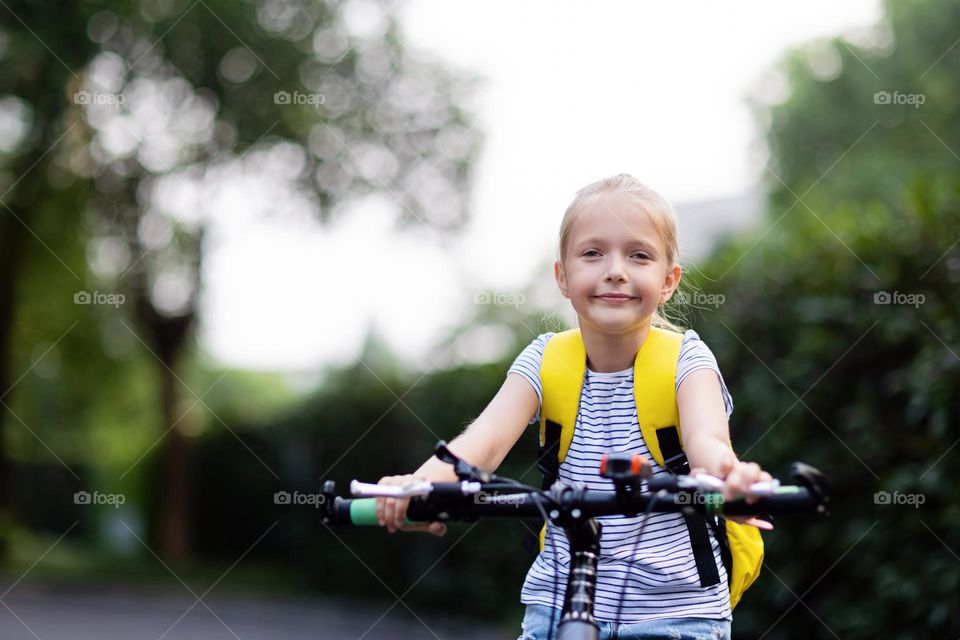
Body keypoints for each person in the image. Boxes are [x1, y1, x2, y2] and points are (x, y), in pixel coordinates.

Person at [375, 173, 773, 640]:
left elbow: (709, 445)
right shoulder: (545, 360)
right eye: (592, 253)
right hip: (556, 603)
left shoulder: (687, 359)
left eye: (639, 255)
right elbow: (481, 444)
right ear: (562, 276)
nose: (615, 270)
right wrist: (417, 487)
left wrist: (732, 480)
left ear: (668, 281)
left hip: (673, 613)